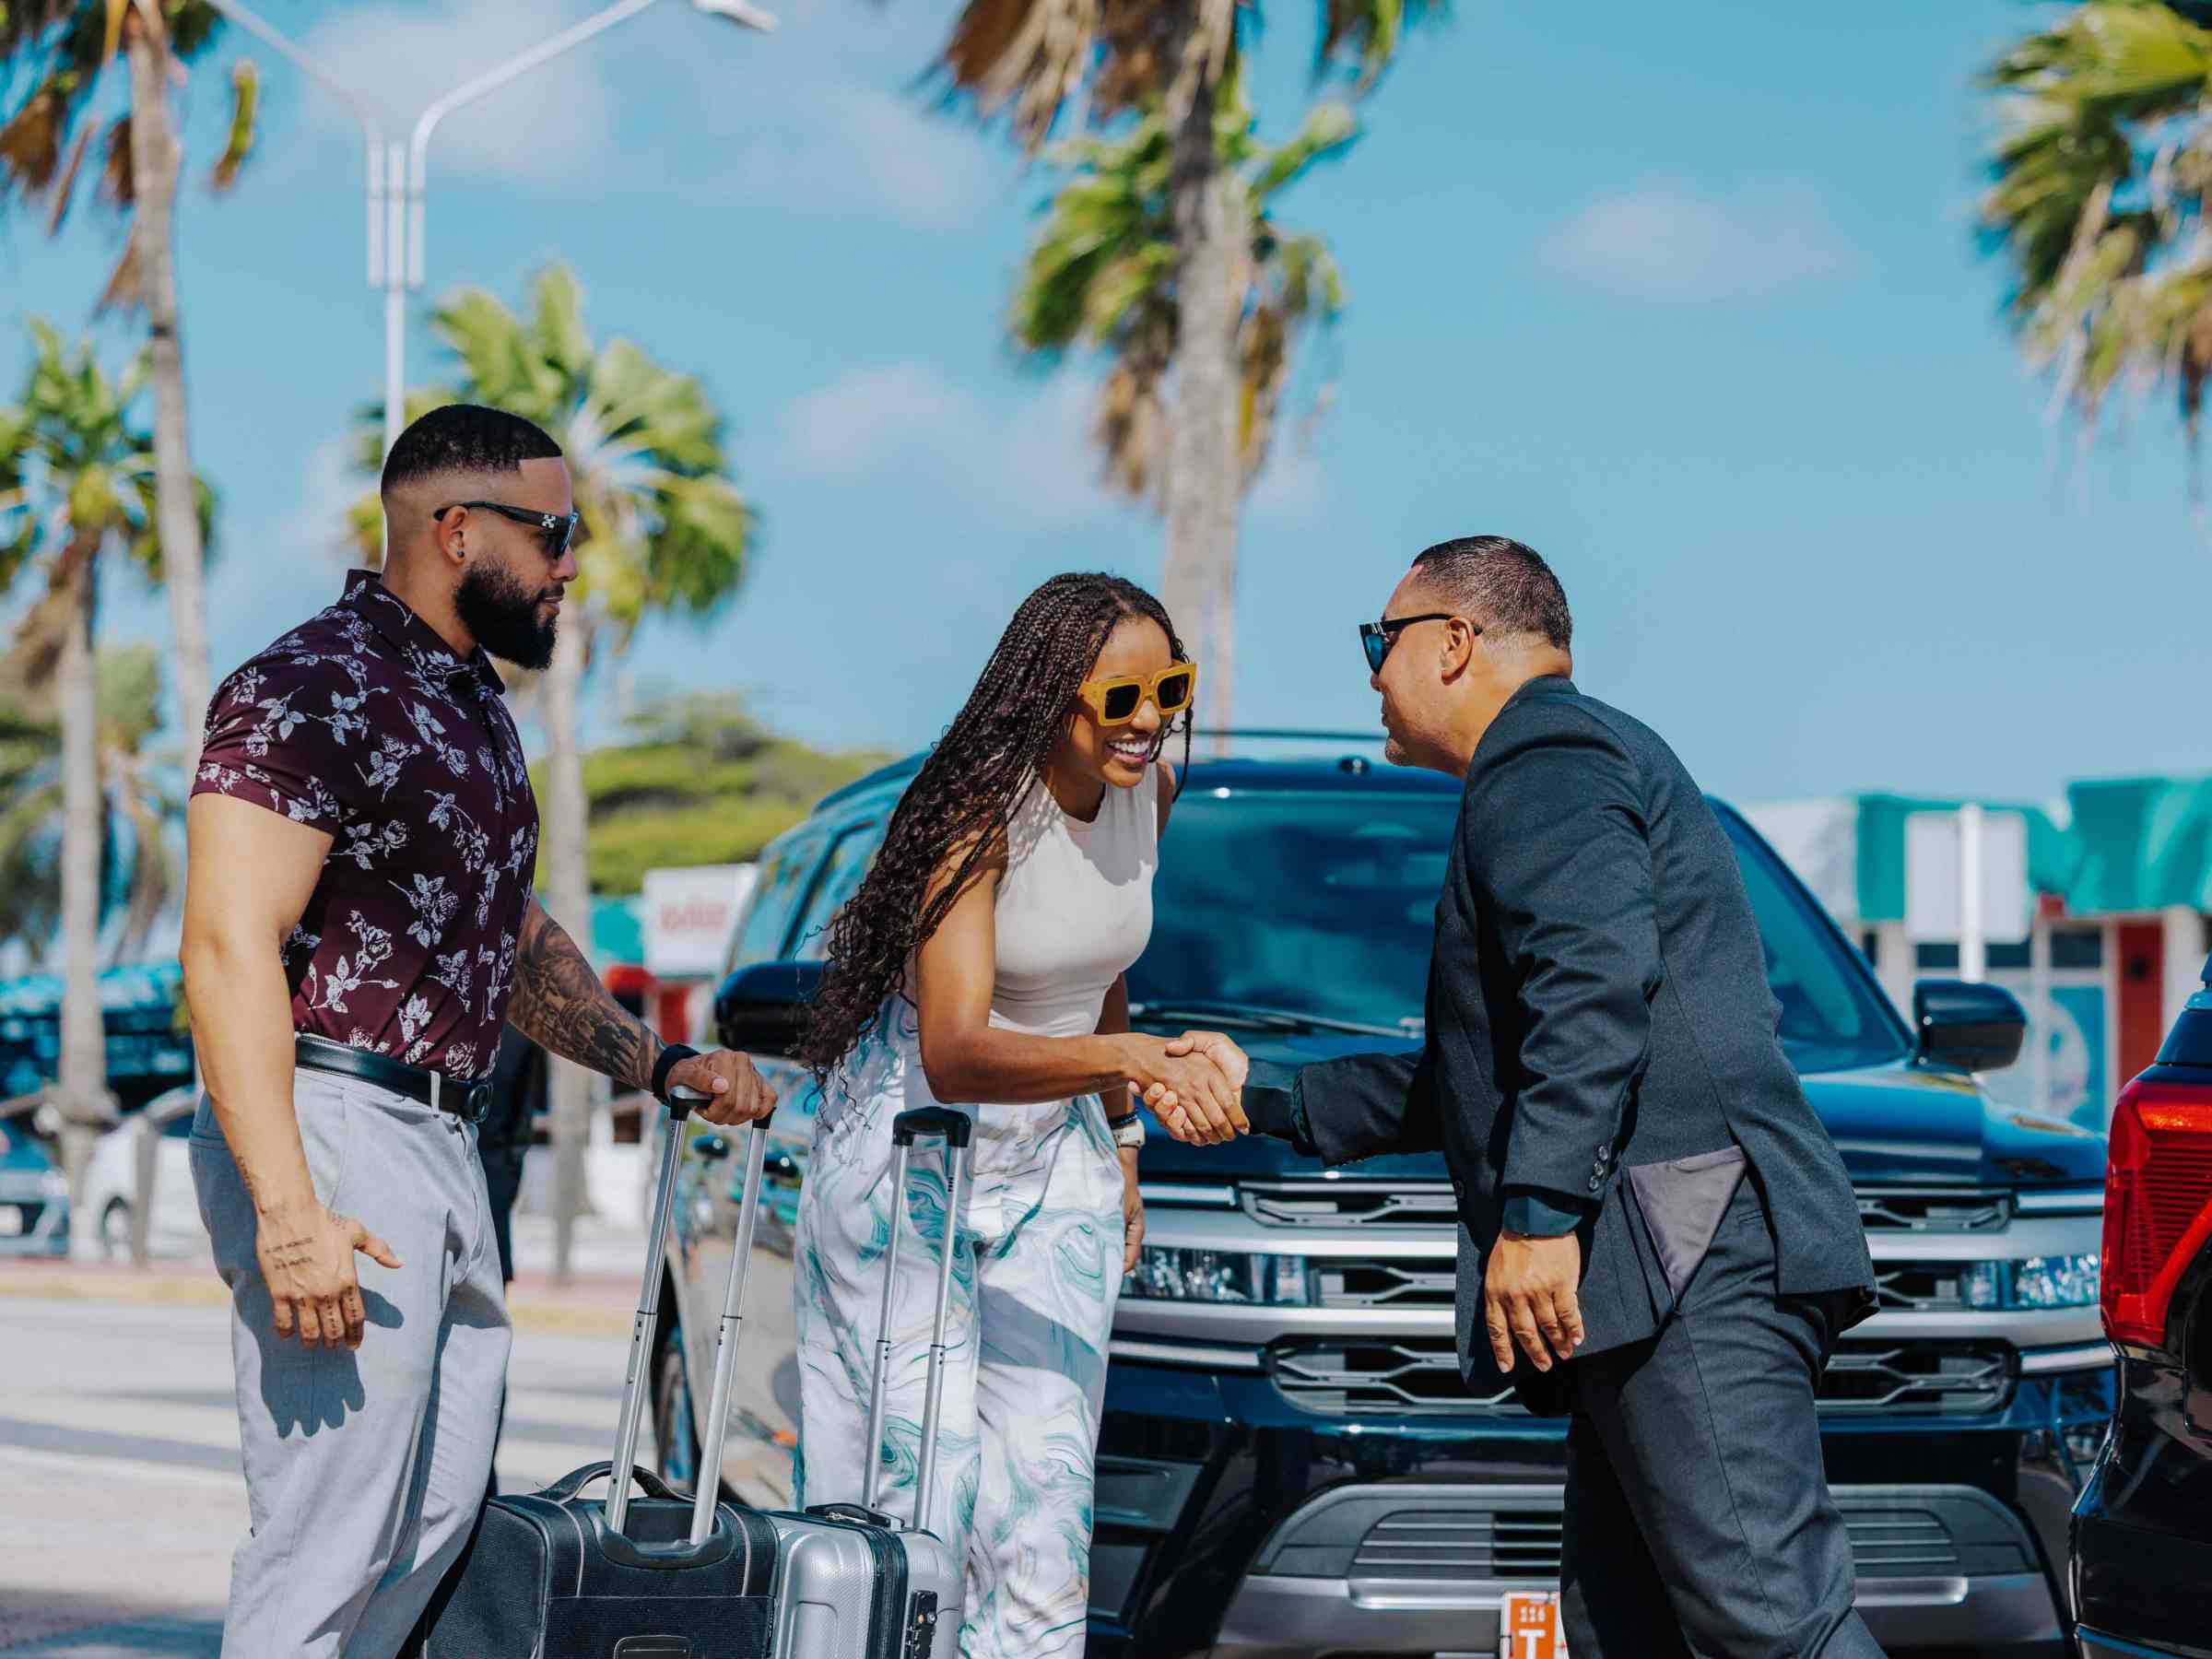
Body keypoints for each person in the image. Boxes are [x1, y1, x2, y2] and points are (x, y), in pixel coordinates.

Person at [1176, 536, 1884, 1657]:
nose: (1370, 674)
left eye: (1381, 640)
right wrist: (1265, 1095)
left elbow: (1594, 986)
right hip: (1653, 1265)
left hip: (1686, 1250)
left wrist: (1541, 1213)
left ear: (1453, 643)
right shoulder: (1565, 762)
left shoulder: (1545, 756)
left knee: (1774, 1627)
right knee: (1623, 1624)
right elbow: (1483, 1072)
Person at [180, 402, 775, 1659]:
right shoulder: (308, 687)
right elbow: (227, 948)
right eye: (554, 535)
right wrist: (288, 1212)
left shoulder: (467, 709)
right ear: (456, 530)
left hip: (444, 1139)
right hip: (334, 1125)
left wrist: (653, 1061)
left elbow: (503, 935)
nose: (572, 566)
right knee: (328, 1540)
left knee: (436, 1520)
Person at [790, 572, 1246, 1659]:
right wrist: (1126, 1061)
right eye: (1120, 697)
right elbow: (954, 1051)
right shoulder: (972, 819)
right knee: (910, 1501)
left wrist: (1124, 1140)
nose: (1149, 722)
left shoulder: (1153, 792)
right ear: (1050, 697)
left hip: (1056, 1157)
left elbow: (1104, 970)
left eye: (1168, 689)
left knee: (1044, 1506)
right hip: (914, 1159)